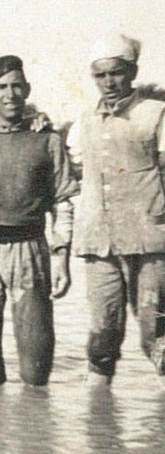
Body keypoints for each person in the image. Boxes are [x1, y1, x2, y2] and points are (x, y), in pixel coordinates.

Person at [0, 55, 77, 386]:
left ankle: (34, 428)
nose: (10, 94)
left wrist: (62, 257)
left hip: (30, 249)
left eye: (17, 86)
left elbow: (64, 201)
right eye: (2, 87)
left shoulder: (47, 139)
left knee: (36, 364)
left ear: (27, 90)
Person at [65, 35, 165, 386]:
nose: (109, 82)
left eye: (117, 73)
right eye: (100, 75)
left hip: (150, 242)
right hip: (99, 241)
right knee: (103, 330)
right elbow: (66, 173)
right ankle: (100, 415)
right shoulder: (83, 123)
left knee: (156, 327)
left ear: (132, 72)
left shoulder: (156, 114)